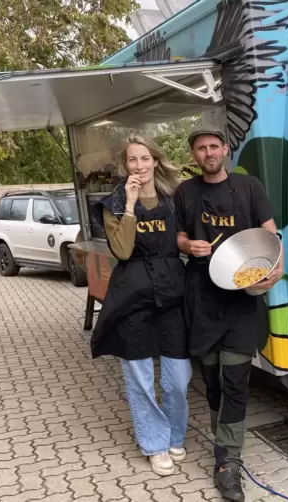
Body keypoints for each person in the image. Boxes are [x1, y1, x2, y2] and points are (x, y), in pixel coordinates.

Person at [174, 128, 283, 502]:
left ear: (225, 150)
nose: (208, 152)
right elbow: (177, 237)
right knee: (213, 382)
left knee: (236, 379)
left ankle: (228, 461)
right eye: (201, 148)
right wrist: (189, 244)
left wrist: (276, 269)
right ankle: (223, 439)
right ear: (194, 155)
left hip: (240, 301)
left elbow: (271, 236)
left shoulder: (249, 187)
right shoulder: (185, 192)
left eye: (214, 146)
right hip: (201, 298)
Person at [90, 134, 192, 477]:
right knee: (140, 378)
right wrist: (131, 204)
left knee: (178, 377)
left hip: (172, 294)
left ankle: (175, 435)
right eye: (132, 160)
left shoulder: (173, 198)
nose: (139, 166)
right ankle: (154, 443)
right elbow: (121, 249)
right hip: (132, 297)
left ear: (156, 161)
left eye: (144, 159)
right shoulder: (114, 203)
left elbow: (184, 237)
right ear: (125, 165)